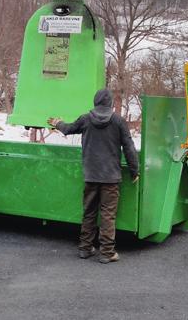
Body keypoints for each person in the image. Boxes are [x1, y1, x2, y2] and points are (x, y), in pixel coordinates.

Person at [48, 89, 139, 264]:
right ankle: (106, 252)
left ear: (95, 102)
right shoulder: (118, 121)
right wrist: (134, 171)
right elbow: (129, 147)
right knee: (107, 215)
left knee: (89, 212)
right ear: (111, 103)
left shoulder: (85, 119)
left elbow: (68, 129)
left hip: (91, 176)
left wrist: (58, 123)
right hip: (110, 178)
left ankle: (85, 248)